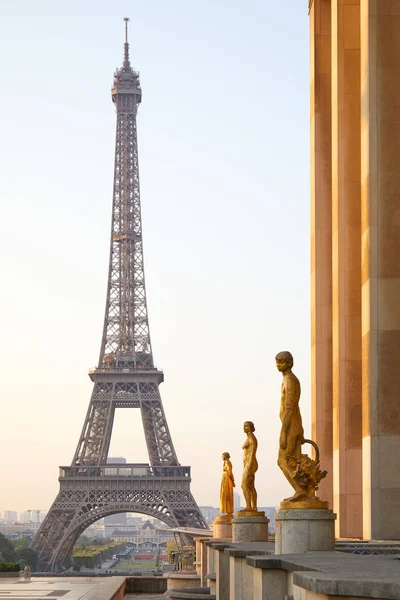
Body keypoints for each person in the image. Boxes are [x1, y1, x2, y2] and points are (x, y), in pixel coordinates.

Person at [275, 350, 306, 502]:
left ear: (289, 363)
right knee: (294, 461)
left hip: (290, 426)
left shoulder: (290, 380)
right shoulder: (290, 380)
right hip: (293, 425)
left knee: (282, 461)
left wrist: (283, 432)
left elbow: (290, 407)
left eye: (280, 362)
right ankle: (303, 491)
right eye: (277, 362)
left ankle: (299, 490)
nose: (277, 365)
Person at [241, 421, 258, 511]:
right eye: (244, 426)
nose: (244, 428)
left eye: (246, 426)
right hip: (249, 463)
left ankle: (248, 506)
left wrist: (249, 465)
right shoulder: (249, 438)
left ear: (251, 428)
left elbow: (252, 453)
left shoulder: (251, 438)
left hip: (250, 463)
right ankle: (253, 507)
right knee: (251, 486)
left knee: (244, 484)